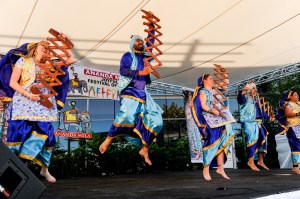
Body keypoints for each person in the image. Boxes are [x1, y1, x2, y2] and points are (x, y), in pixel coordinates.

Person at [0, 39, 70, 183]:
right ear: (35, 48)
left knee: (47, 135)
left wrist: (65, 42)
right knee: (18, 134)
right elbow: (12, 83)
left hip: (43, 103)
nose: (46, 47)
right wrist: (29, 95)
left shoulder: (50, 65)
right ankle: (12, 168)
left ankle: (44, 169)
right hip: (25, 101)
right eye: (43, 45)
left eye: (48, 47)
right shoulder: (23, 61)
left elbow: (69, 61)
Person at [99, 28, 163, 165]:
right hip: (130, 91)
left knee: (157, 122)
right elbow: (123, 70)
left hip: (144, 94)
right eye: (137, 40)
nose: (140, 42)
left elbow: (150, 42)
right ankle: (108, 139)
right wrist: (141, 72)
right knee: (126, 116)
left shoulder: (146, 57)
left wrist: (152, 26)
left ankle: (145, 149)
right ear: (132, 43)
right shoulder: (128, 55)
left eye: (141, 41)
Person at [191, 74, 235, 181]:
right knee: (212, 142)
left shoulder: (213, 91)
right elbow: (203, 105)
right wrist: (212, 110)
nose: (212, 80)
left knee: (221, 143)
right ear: (204, 81)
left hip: (219, 119)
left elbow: (224, 85)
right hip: (210, 121)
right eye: (210, 78)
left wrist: (224, 75)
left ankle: (220, 168)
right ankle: (205, 169)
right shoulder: (203, 92)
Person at [237, 83, 270, 171]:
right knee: (252, 140)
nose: (255, 90)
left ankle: (260, 161)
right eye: (253, 88)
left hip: (259, 122)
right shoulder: (245, 98)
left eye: (255, 88)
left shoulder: (256, 99)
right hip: (249, 122)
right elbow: (240, 99)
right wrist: (244, 90)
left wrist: (268, 117)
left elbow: (260, 111)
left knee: (262, 140)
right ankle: (250, 161)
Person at [276, 90, 300, 174]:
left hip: (299, 127)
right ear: (290, 96)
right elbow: (287, 114)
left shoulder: (298, 104)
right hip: (293, 127)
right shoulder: (289, 104)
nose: (297, 96)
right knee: (296, 146)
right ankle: (295, 167)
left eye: (297, 95)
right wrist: (297, 114)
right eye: (296, 95)